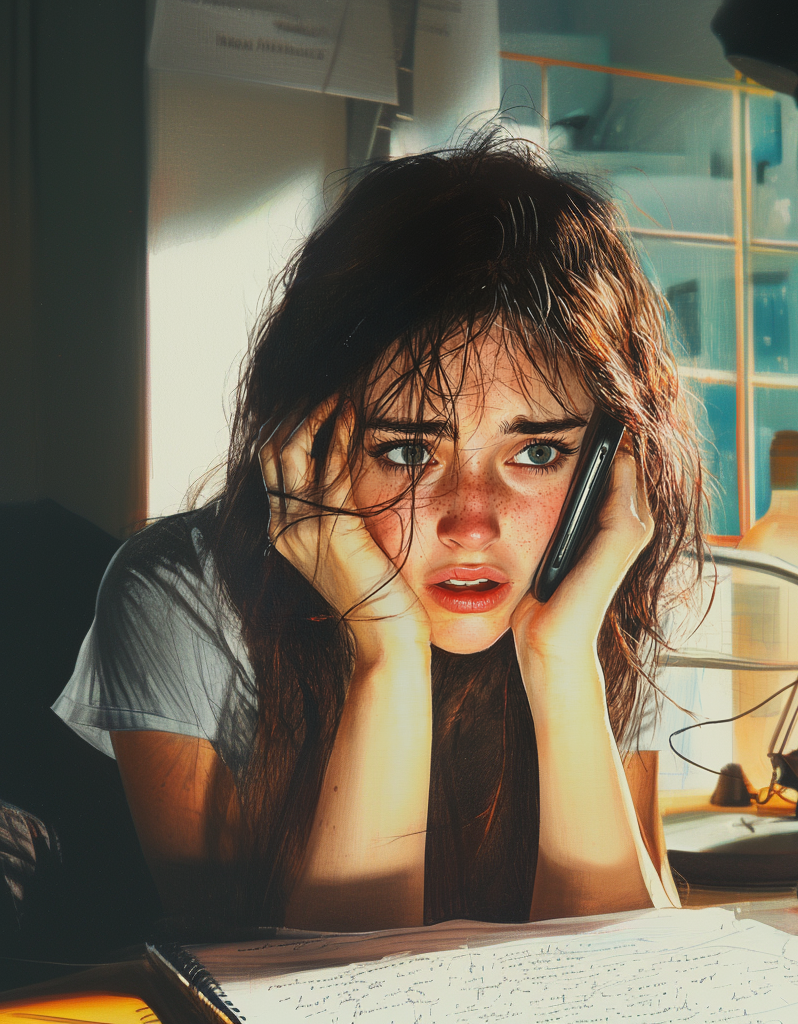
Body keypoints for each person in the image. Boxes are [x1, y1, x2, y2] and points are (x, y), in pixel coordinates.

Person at [53, 135, 705, 934]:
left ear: (611, 466)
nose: (472, 521)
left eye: (537, 452)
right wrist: (386, 653)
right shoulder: (182, 601)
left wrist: (563, 664)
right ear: (311, 447)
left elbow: (638, 987)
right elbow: (280, 998)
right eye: (406, 451)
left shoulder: (595, 580)